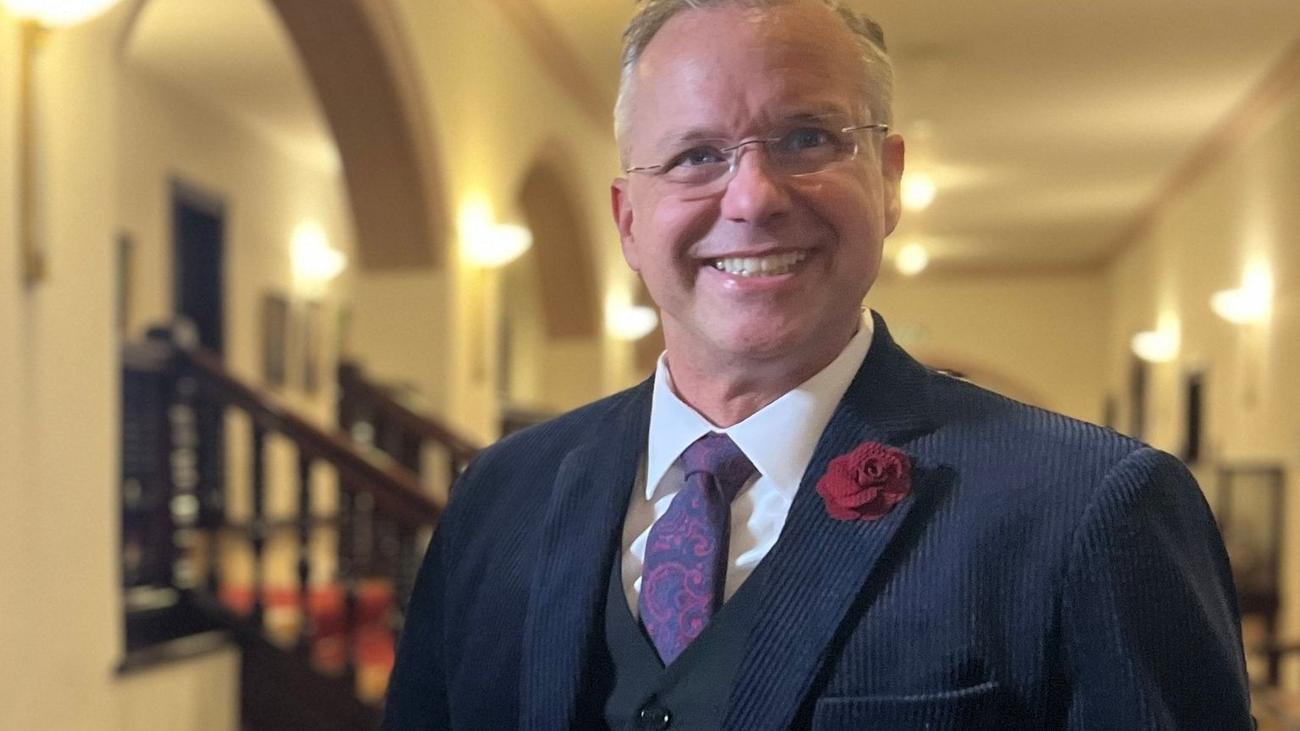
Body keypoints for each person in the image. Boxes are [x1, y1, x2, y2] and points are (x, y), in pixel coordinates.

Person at [383, 0, 1252, 728]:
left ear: (889, 178)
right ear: (629, 221)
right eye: (695, 156)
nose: (754, 197)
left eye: (806, 138)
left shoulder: (1089, 508)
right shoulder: (502, 494)